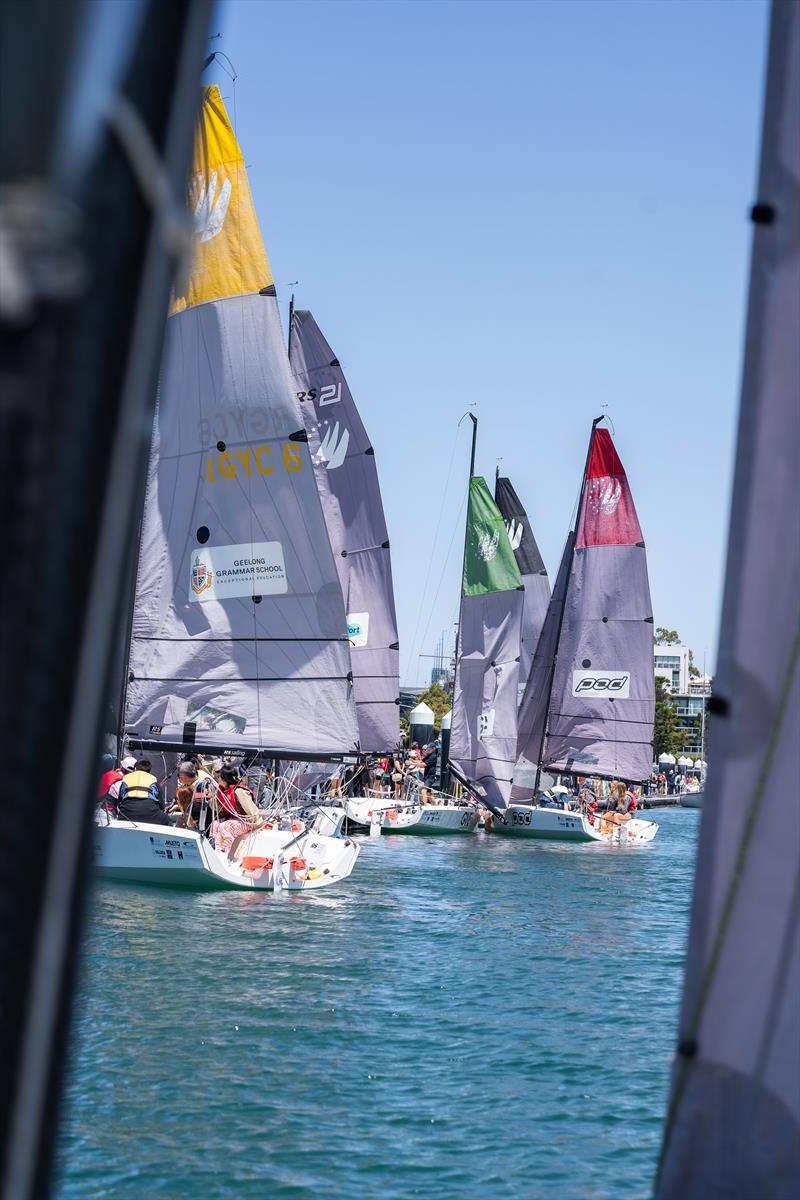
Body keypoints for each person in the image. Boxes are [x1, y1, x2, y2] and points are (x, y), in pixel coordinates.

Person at [116, 759, 170, 826]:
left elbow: (119, 802)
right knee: (168, 820)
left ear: (135, 769)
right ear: (149, 771)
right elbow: (162, 806)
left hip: (126, 814)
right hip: (150, 812)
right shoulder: (153, 780)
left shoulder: (125, 779)